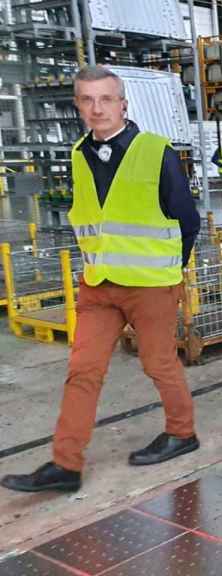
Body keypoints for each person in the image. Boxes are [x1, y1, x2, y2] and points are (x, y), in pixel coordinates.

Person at [2, 66, 202, 493]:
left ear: (123, 103)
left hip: (150, 285)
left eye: (106, 99)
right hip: (99, 284)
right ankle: (65, 464)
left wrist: (170, 272)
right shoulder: (78, 153)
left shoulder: (155, 151)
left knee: (158, 362)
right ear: (78, 105)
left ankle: (182, 433)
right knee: (82, 370)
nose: (97, 108)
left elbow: (188, 220)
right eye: (88, 100)